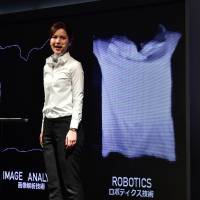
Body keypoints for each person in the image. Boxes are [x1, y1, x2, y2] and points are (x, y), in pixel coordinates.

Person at [39, 21, 84, 200]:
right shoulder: (47, 64)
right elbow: (47, 99)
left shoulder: (75, 66)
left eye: (62, 38)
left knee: (70, 184)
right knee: (53, 185)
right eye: (54, 37)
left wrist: (73, 129)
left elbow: (78, 98)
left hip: (66, 126)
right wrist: (43, 127)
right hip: (49, 126)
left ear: (69, 41)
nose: (57, 41)